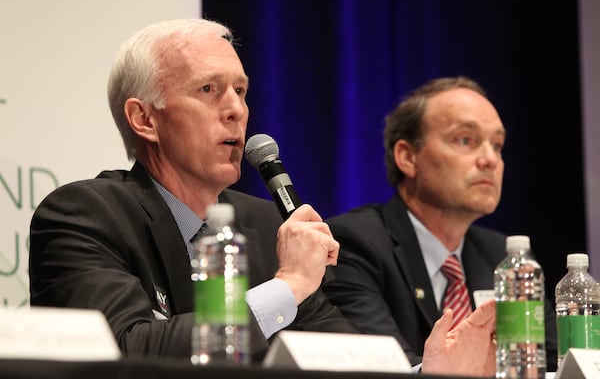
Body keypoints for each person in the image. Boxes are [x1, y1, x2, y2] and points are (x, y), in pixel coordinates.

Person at [28, 19, 496, 376]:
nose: (236, 110)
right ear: (144, 119)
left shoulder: (263, 226)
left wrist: (425, 372)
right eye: (209, 90)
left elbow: (340, 355)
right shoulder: (82, 215)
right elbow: (128, 350)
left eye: (241, 90)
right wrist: (287, 284)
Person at [322, 76, 558, 372]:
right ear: (408, 157)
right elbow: (384, 367)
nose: (489, 159)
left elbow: (552, 363)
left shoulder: (502, 255)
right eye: (465, 140)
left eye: (497, 145)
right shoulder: (353, 242)